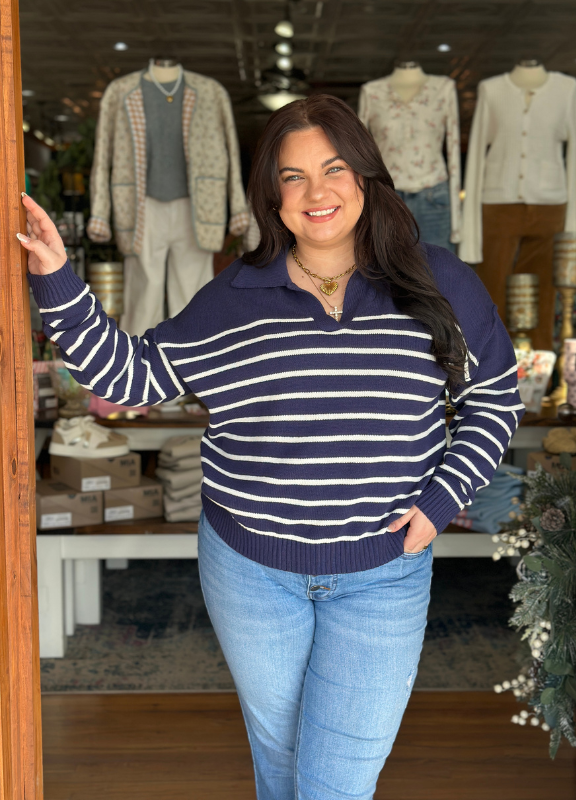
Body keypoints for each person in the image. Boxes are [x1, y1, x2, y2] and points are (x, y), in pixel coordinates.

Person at [20, 94, 525, 800]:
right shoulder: (235, 296)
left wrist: (440, 506)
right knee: (282, 764)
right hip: (251, 571)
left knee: (333, 785)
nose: (316, 192)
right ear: (272, 197)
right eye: (293, 176)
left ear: (365, 177)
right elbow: (129, 374)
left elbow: (495, 398)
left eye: (334, 168)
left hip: (382, 572)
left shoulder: (436, 280)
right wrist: (53, 272)